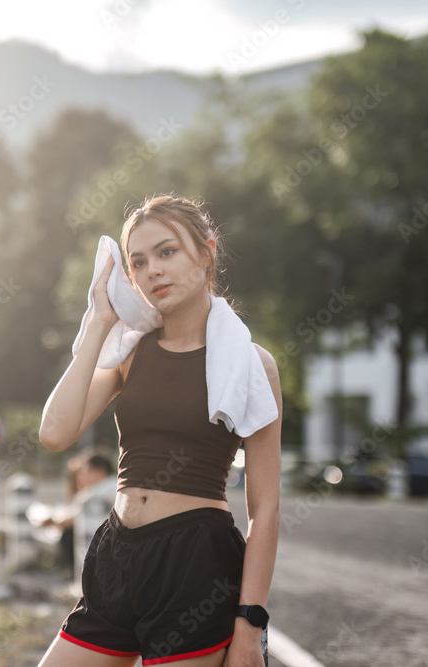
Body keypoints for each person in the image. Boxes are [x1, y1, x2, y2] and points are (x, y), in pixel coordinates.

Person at [37, 193, 283, 666]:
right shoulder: (128, 352)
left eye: (167, 252)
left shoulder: (254, 366)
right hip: (117, 554)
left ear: (207, 252)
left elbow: (266, 506)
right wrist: (98, 322)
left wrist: (250, 625)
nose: (153, 270)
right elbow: (54, 432)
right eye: (139, 262)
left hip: (195, 565)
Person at [42, 450, 116, 570]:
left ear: (99, 472)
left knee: (67, 534)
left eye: (83, 471)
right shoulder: (116, 485)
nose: (80, 477)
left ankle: (76, 578)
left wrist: (50, 520)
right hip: (115, 548)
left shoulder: (93, 494)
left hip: (103, 552)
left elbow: (68, 521)